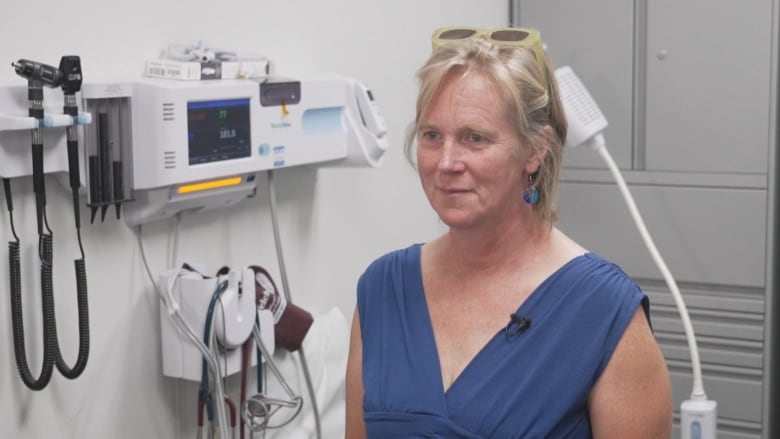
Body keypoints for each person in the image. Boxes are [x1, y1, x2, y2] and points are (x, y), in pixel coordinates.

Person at [345, 26, 672, 438]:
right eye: (432, 136)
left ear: (535, 150)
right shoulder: (382, 291)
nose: (446, 162)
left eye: (474, 138)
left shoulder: (603, 312)